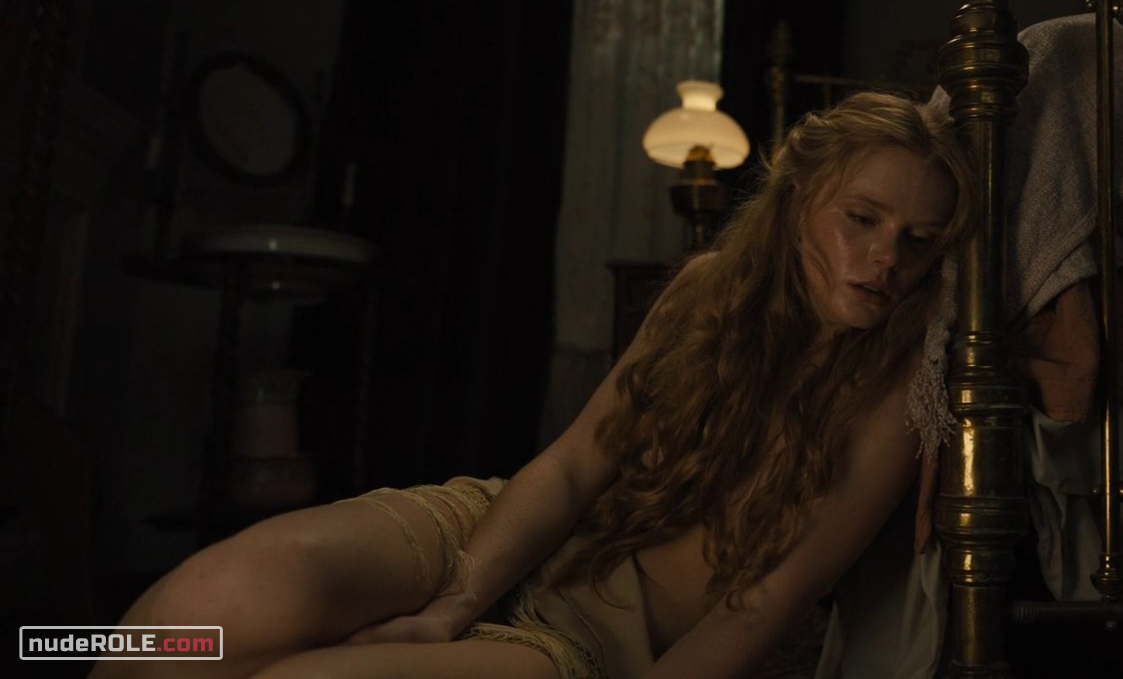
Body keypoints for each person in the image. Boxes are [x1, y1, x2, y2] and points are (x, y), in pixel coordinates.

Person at [95, 92, 977, 679]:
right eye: (862, 219)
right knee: (197, 614)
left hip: (599, 641)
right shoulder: (711, 288)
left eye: (918, 240)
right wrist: (451, 605)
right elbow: (572, 465)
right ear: (797, 199)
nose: (884, 259)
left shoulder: (903, 393)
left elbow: (762, 607)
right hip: (501, 531)